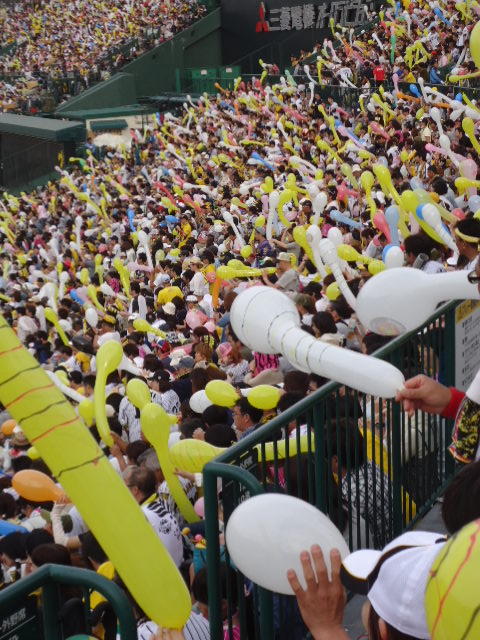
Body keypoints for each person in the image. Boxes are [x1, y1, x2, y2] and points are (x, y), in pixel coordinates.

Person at [125, 467, 183, 567]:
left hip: (166, 570)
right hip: (178, 563)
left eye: (127, 486)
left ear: (135, 490)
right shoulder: (161, 501)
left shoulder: (142, 515)